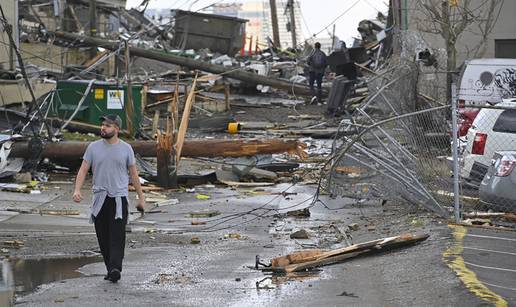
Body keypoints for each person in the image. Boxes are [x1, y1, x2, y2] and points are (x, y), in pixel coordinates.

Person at [73, 114, 145, 283]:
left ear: (117, 129)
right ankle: (110, 268)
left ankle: (115, 268)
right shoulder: (93, 147)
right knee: (103, 236)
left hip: (118, 199)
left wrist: (141, 198)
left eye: (108, 126)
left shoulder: (126, 149)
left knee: (117, 236)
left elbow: (134, 175)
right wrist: (77, 189)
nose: (103, 128)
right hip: (100, 199)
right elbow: (83, 169)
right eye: (103, 125)